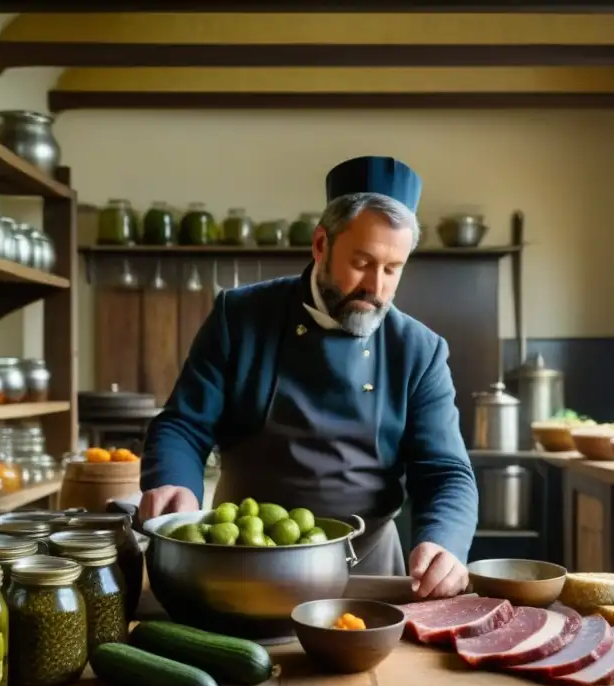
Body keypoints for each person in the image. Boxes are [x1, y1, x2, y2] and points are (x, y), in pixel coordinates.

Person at [139, 155, 478, 599]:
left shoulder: (419, 350)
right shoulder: (239, 317)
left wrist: (445, 543)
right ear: (321, 244)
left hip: (369, 569)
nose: (376, 288)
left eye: (392, 269)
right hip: (241, 558)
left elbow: (447, 471)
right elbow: (184, 423)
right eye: (362, 262)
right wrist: (173, 482)